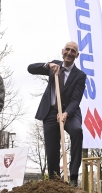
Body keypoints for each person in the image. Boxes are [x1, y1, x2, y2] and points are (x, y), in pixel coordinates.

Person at [28, 41, 86, 185]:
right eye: (67, 50)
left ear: (77, 55)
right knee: (52, 147)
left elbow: (75, 99)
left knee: (77, 131)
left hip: (69, 112)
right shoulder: (54, 66)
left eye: (73, 51)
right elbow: (30, 68)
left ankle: (73, 177)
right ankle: (55, 180)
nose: (69, 53)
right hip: (50, 112)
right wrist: (48, 65)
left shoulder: (80, 75)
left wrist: (66, 113)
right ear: (62, 51)